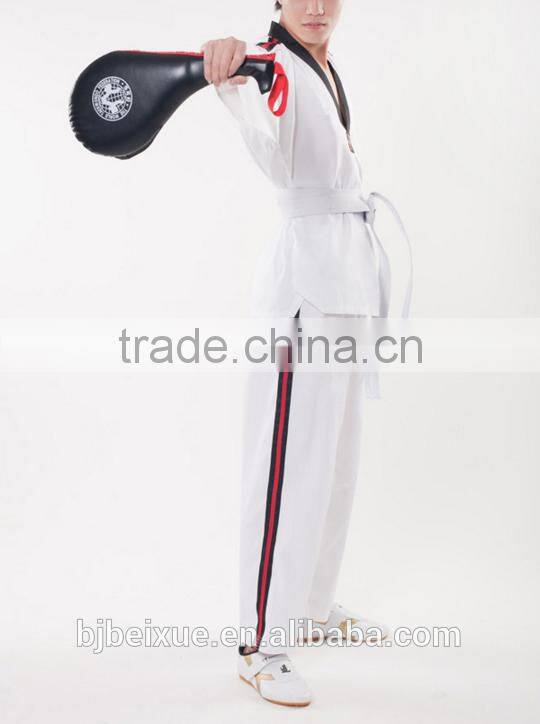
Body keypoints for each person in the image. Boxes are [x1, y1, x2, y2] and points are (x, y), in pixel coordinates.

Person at [201, 0, 412, 708]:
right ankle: (259, 646)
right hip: (304, 296)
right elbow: (263, 125)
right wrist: (232, 71)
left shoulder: (323, 65)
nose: (318, 7)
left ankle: (313, 607)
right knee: (287, 467)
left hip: (346, 279)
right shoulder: (272, 65)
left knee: (335, 460)